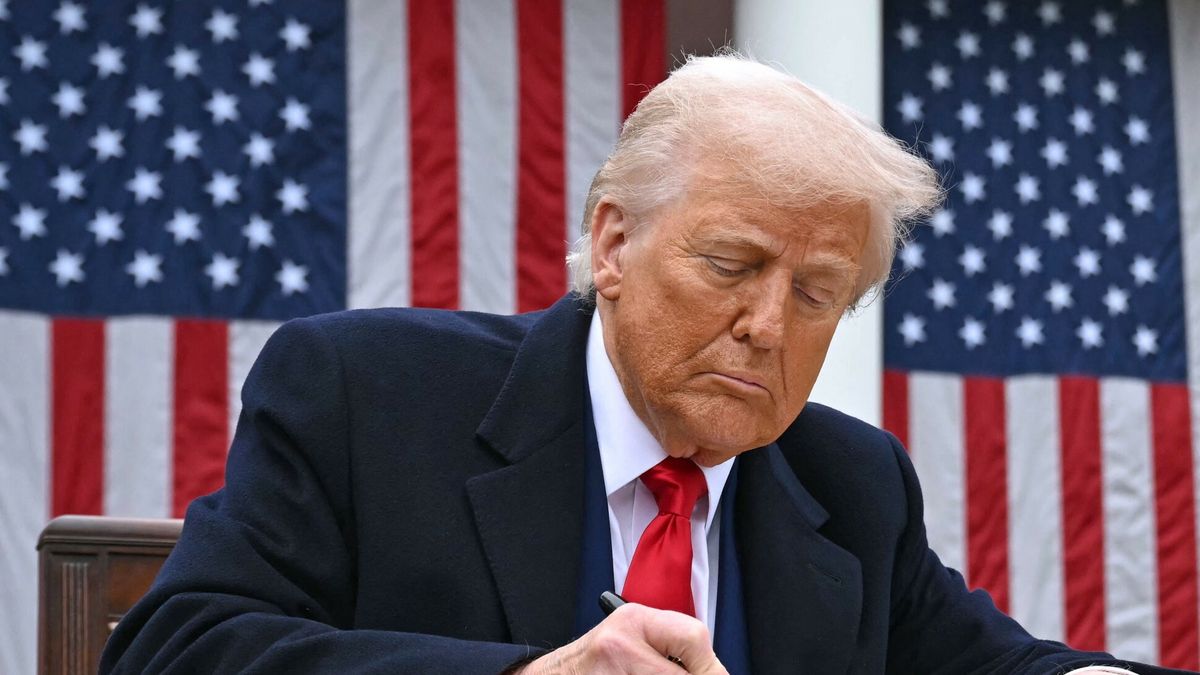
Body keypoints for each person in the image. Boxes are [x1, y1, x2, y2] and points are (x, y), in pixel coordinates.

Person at [101, 54, 1189, 674]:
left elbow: (999, 667)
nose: (768, 325)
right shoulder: (365, 391)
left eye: (818, 294)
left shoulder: (853, 484)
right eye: (732, 265)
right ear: (614, 244)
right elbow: (178, 649)